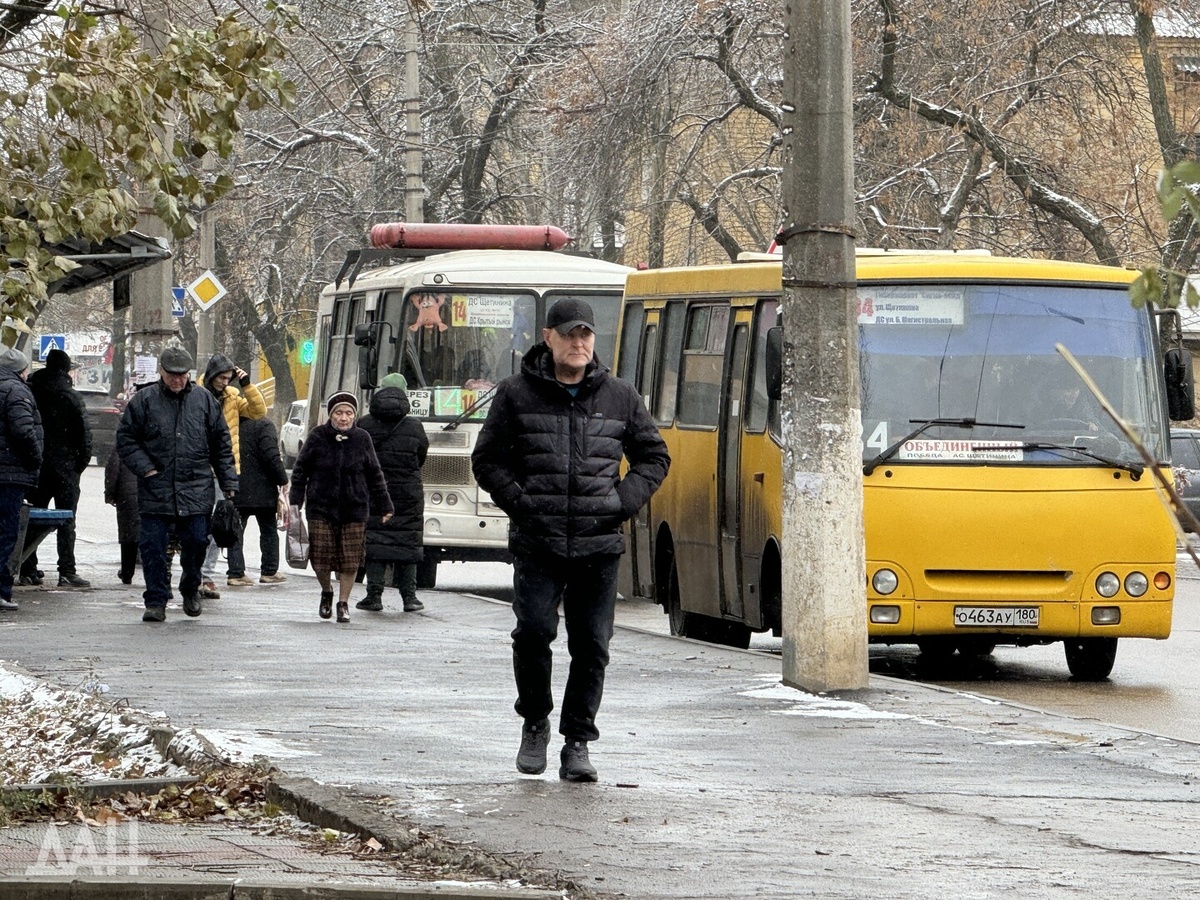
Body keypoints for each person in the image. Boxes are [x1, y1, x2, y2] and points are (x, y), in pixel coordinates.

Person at [471, 298, 670, 783]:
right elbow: (487, 460)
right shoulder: (517, 394)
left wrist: (620, 502)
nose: (579, 343)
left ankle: (577, 741)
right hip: (538, 542)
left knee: (592, 645)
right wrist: (521, 501)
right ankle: (535, 721)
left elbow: (654, 457)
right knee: (534, 633)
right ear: (549, 337)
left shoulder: (620, 395)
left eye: (586, 334)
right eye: (569, 334)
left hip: (598, 545)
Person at [116, 347, 238, 623]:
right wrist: (145, 468)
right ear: (161, 372)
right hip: (156, 487)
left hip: (195, 487)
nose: (177, 380)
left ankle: (190, 587)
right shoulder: (144, 400)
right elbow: (126, 439)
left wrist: (229, 482)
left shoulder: (204, 400)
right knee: (153, 547)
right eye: (172, 375)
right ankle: (156, 599)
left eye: (182, 375)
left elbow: (221, 444)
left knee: (197, 541)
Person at [288, 392, 393, 623]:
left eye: (348, 413)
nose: (343, 418)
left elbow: (375, 473)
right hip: (320, 508)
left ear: (354, 416)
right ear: (331, 414)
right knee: (321, 557)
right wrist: (295, 503)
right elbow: (300, 471)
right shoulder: (317, 436)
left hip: (354, 508)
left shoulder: (362, 438)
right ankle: (326, 591)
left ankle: (343, 603)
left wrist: (385, 505)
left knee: (350, 559)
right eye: (339, 412)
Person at [19, 348, 92, 588]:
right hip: (65, 466)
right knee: (67, 519)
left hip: (37, 464)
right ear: (66, 368)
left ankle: (27, 568)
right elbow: (84, 436)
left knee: (31, 517)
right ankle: (67, 571)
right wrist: (76, 465)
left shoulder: (30, 392)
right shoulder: (70, 396)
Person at [357, 373, 429, 613]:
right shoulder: (414, 426)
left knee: (375, 541)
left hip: (375, 491)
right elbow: (421, 456)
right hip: (408, 493)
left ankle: (374, 595)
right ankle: (409, 597)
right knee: (408, 543)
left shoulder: (365, 423)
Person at [197, 353, 267, 599]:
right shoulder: (196, 394)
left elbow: (259, 412)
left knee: (219, 524)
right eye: (221, 377)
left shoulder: (233, 397)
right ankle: (192, 571)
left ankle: (206, 574)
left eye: (229, 378)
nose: (224, 382)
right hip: (196, 469)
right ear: (212, 374)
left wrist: (246, 384)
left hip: (223, 471)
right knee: (195, 523)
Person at [0, 347, 43, 612]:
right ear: (22, 371)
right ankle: (1, 590)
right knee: (5, 533)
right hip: (9, 476)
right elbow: (23, 430)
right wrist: (35, 459)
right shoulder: (16, 391)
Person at [227, 414, 288, 586]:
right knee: (268, 531)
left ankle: (236, 573)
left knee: (236, 532)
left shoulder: (233, 423)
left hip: (237, 486)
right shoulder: (264, 425)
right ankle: (269, 571)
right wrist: (282, 479)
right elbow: (271, 455)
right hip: (264, 489)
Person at [103, 446, 140, 585]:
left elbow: (112, 470)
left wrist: (110, 494)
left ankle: (127, 573)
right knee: (152, 533)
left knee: (128, 536)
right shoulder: (156, 441)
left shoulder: (124, 444)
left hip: (127, 495)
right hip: (151, 494)